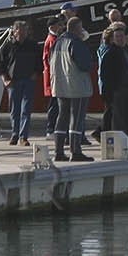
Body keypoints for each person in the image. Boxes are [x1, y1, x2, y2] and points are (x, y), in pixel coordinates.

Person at [50, 17, 96, 162]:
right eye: (80, 28)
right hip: (77, 86)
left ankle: (58, 151)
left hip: (59, 85)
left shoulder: (57, 42)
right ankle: (75, 151)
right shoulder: (75, 43)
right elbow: (85, 64)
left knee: (62, 117)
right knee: (77, 118)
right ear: (76, 28)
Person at [97, 23, 128, 149]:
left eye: (122, 36)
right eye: (117, 37)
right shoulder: (110, 53)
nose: (120, 39)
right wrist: (108, 92)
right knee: (118, 118)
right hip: (118, 89)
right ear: (113, 39)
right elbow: (105, 74)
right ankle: (120, 143)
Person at [0, 20, 42, 145]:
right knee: (14, 110)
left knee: (26, 110)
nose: (22, 33)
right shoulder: (8, 46)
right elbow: (0, 64)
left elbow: (40, 63)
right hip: (13, 82)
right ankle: (14, 134)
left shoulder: (33, 45)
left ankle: (23, 137)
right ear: (14, 31)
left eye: (24, 30)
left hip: (28, 81)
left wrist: (35, 74)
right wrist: (5, 79)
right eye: (19, 30)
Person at [41, 14, 66, 137]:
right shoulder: (52, 41)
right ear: (53, 26)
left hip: (55, 77)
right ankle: (50, 129)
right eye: (59, 25)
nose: (61, 27)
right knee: (54, 105)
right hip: (54, 78)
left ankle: (54, 128)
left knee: (56, 104)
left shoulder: (54, 39)